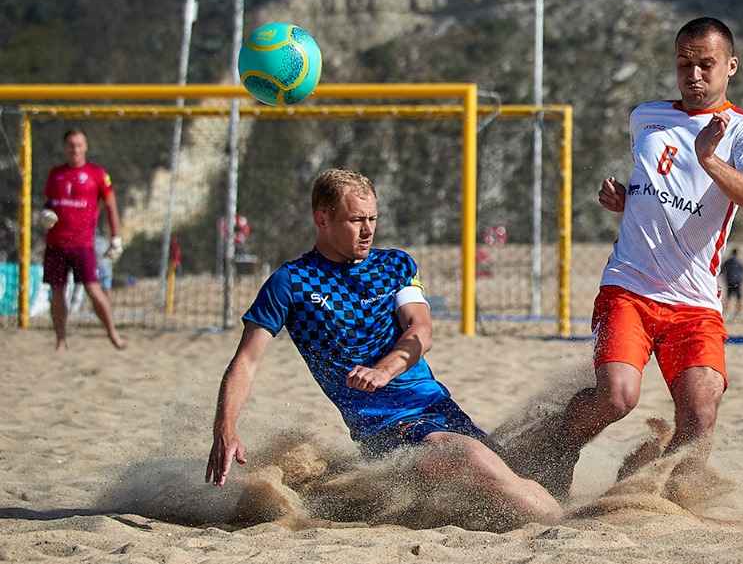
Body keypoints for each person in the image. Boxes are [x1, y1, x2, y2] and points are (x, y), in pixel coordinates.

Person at [205, 168, 560, 525]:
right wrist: (226, 427)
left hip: (439, 408)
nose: (368, 229)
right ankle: (560, 525)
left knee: (509, 469)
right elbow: (247, 360)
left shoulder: (395, 265)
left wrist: (383, 370)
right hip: (385, 430)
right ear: (322, 218)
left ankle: (562, 513)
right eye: (356, 219)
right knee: (473, 460)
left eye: (373, 218)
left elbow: (422, 330)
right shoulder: (291, 283)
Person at [528, 17, 743, 500]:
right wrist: (629, 197)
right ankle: (560, 444)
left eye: (706, 64)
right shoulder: (646, 116)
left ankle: (665, 501)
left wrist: (710, 160)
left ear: (731, 66)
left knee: (700, 413)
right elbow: (661, 179)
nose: (695, 75)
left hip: (696, 302)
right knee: (618, 397)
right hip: (631, 287)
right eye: (685, 63)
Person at [41, 128, 125, 351]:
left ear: (86, 146)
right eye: (71, 145)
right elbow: (48, 205)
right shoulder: (55, 174)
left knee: (94, 289)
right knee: (57, 292)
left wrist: (116, 237)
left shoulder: (97, 174)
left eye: (79, 144)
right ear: (65, 147)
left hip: (83, 243)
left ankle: (112, 333)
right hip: (56, 243)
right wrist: (45, 214)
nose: (75, 149)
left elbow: (110, 207)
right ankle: (61, 340)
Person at [719, 247, 743, 319]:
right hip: (737, 282)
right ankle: (738, 313)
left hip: (730, 282)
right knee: (738, 298)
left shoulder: (728, 262)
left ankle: (726, 313)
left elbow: (721, 270)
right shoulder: (739, 262)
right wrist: (742, 279)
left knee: (728, 297)